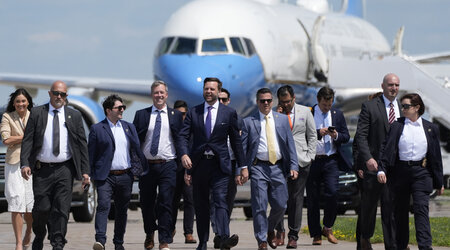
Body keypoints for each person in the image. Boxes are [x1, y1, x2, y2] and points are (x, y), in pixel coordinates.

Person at [179, 77, 248, 250]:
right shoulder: (194, 112)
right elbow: (182, 136)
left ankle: (223, 236)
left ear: (218, 91)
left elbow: (236, 142)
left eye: (212, 89)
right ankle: (202, 242)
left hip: (220, 165)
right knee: (201, 205)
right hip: (199, 166)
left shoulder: (228, 113)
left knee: (220, 201)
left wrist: (243, 166)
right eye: (206, 88)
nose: (209, 91)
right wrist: (184, 155)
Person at [20, 81, 90, 250]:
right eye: (56, 93)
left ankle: (58, 243)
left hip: (64, 169)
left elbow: (82, 145)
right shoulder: (37, 113)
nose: (59, 97)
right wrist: (24, 164)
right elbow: (27, 140)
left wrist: (85, 172)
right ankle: (40, 234)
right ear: (50, 94)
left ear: (66, 96)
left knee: (61, 209)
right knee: (42, 208)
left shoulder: (74, 116)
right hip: (42, 170)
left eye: (63, 94)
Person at [377, 93, 444, 250]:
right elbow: (386, 149)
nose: (403, 109)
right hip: (400, 173)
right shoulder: (397, 125)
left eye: (406, 106)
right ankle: (401, 245)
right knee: (400, 212)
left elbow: (436, 156)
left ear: (416, 108)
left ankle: (425, 246)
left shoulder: (431, 128)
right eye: (402, 106)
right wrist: (381, 169)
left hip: (421, 173)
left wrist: (439, 182)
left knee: (421, 210)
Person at [241, 88, 299, 250]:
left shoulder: (281, 120)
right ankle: (262, 241)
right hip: (259, 167)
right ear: (257, 102)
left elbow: (290, 145)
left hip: (278, 167)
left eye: (268, 100)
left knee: (281, 205)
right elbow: (243, 148)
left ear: (272, 102)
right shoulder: (248, 122)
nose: (265, 103)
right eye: (262, 101)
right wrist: (243, 168)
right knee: (259, 205)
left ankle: (268, 228)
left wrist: (294, 166)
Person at [90, 94, 147, 250]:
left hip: (125, 176)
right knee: (103, 206)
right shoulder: (97, 129)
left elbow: (135, 149)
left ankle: (118, 243)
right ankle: (100, 240)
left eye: (123, 107)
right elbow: (91, 154)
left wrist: (137, 169)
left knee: (122, 211)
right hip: (105, 176)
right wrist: (87, 174)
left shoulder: (129, 127)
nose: (122, 110)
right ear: (108, 110)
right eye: (119, 107)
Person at [133, 81, 184, 250]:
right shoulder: (141, 115)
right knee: (147, 203)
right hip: (147, 166)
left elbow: (180, 139)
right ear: (151, 95)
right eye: (156, 93)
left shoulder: (175, 115)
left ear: (166, 95)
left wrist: (184, 156)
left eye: (162, 93)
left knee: (166, 202)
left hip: (168, 164)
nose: (159, 96)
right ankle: (149, 233)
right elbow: (135, 141)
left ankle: (164, 240)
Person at [354, 73, 400, 250]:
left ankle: (392, 245)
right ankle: (365, 239)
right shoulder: (370, 106)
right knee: (369, 208)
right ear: (383, 86)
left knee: (391, 209)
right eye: (390, 85)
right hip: (373, 167)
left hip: (394, 168)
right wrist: (367, 159)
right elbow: (361, 136)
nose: (394, 88)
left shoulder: (403, 107)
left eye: (396, 85)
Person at [306, 86, 350, 246]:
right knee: (313, 199)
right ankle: (316, 234)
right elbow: (301, 134)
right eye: (325, 105)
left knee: (332, 193)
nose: (327, 108)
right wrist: (319, 132)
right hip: (313, 161)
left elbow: (346, 136)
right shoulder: (309, 113)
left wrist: (336, 135)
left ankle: (328, 227)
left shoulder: (337, 114)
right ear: (318, 101)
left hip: (331, 160)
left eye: (330, 105)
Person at [274, 85, 317, 248]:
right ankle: (279, 230)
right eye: (282, 102)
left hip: (301, 160)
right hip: (279, 162)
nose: (286, 105)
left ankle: (293, 235)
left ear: (294, 98)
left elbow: (312, 135)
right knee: (278, 199)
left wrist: (310, 156)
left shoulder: (305, 112)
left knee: (296, 199)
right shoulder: (273, 113)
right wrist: (277, 115)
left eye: (288, 102)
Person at [1, 88, 34, 250]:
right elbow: (6, 139)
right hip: (14, 164)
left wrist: (18, 139)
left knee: (30, 204)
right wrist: (28, 137)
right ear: (13, 103)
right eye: (17, 101)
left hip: (33, 163)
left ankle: (29, 231)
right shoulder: (8, 117)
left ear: (28, 102)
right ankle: (19, 243)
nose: (20, 104)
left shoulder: (35, 115)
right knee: (16, 202)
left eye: (23, 101)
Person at [210, 88, 242, 248]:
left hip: (231, 165)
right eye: (219, 99)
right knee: (216, 201)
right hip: (214, 165)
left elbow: (240, 147)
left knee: (228, 201)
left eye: (224, 100)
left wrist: (240, 170)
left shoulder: (235, 118)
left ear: (228, 101)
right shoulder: (209, 119)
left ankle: (220, 234)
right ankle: (222, 235)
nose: (221, 102)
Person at [170, 100, 197, 244]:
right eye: (178, 114)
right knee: (172, 201)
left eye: (184, 114)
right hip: (173, 168)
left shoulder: (192, 128)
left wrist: (191, 169)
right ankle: (170, 228)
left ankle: (188, 233)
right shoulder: (170, 127)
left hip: (188, 168)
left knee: (189, 200)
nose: (181, 116)